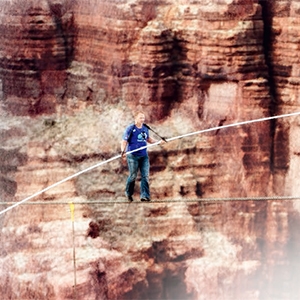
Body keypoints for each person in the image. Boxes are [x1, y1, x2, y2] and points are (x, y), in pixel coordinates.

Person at [121, 111, 157, 202]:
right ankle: (128, 193)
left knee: (145, 176)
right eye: (140, 117)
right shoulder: (130, 128)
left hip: (144, 155)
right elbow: (124, 141)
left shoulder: (145, 128)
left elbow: (148, 139)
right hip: (133, 155)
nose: (142, 119)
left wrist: (158, 142)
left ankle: (145, 196)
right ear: (136, 119)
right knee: (133, 176)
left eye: (143, 118)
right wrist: (123, 151)